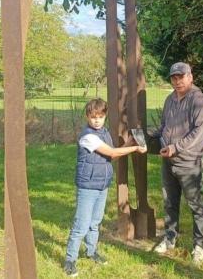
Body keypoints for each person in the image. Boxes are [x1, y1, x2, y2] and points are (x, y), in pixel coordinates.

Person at [63, 98, 147, 277]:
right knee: (82, 225)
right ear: (87, 116)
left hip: (102, 185)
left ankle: (92, 252)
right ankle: (70, 260)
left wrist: (131, 143)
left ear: (105, 116)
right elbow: (111, 152)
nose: (96, 120)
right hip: (88, 186)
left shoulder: (104, 133)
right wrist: (134, 150)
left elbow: (111, 157)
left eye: (100, 116)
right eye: (93, 117)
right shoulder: (88, 136)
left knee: (95, 222)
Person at [153, 62, 203, 266]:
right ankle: (169, 239)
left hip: (189, 162)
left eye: (181, 77)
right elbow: (164, 128)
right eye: (174, 78)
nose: (177, 81)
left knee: (196, 205)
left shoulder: (198, 99)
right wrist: (144, 137)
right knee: (170, 202)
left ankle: (199, 247)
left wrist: (176, 147)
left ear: (190, 76)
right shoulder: (169, 100)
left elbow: (199, 132)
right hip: (168, 161)